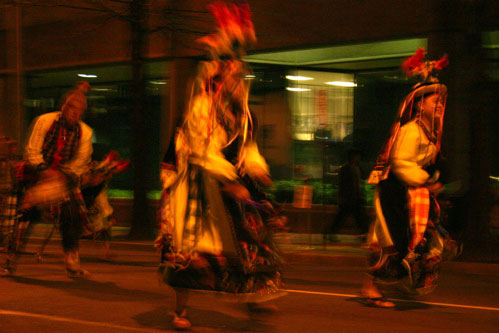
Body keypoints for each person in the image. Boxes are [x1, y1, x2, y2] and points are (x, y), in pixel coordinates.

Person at [154, 2, 286, 330]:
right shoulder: (203, 106)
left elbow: (248, 147)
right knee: (194, 248)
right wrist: (230, 179)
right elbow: (201, 150)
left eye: (241, 73)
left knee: (252, 238)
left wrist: (257, 169)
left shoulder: (241, 112)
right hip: (198, 183)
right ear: (219, 72)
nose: (240, 77)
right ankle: (180, 310)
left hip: (227, 182)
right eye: (234, 72)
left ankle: (254, 300)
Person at [363, 48, 457, 307]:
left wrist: (432, 178)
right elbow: (401, 163)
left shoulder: (429, 134)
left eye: (440, 101)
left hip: (412, 191)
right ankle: (371, 287)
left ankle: (406, 282)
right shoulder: (411, 130)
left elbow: (426, 165)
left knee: (423, 238)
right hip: (395, 190)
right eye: (433, 101)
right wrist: (426, 181)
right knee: (392, 240)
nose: (439, 105)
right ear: (419, 104)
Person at [21, 81, 93, 278]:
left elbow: (80, 161)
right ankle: (13, 250)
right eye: (71, 108)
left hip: (62, 180)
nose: (74, 113)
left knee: (72, 214)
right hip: (37, 174)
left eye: (79, 110)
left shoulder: (85, 132)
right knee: (25, 212)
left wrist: (61, 176)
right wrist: (44, 171)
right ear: (64, 107)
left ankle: (71, 260)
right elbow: (32, 150)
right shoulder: (44, 121)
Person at [328, 148, 369, 242]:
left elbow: (358, 183)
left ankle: (364, 234)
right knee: (345, 217)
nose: (358, 158)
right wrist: (343, 197)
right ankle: (364, 235)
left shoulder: (357, 168)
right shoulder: (346, 169)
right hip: (349, 198)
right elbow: (343, 184)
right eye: (356, 156)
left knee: (357, 217)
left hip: (354, 197)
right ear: (352, 157)